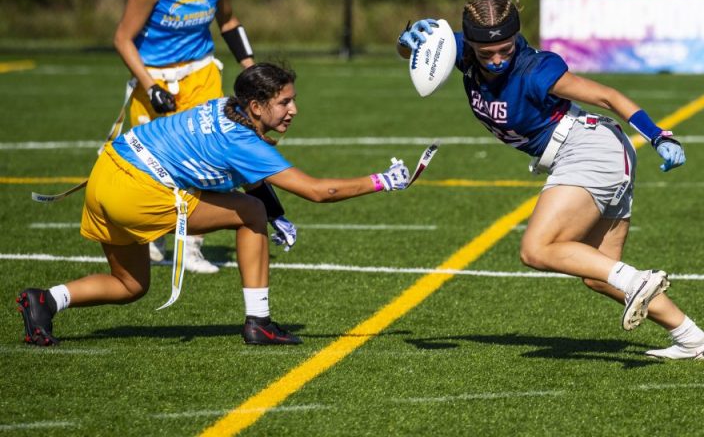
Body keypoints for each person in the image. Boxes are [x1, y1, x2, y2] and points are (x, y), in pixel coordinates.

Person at [397, 0, 704, 360]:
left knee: (536, 249)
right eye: (487, 54)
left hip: (590, 148)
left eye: (505, 49)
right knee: (599, 274)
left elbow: (607, 96)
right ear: (470, 44)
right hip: (598, 155)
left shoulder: (536, 69)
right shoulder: (462, 49)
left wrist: (659, 135)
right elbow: (422, 55)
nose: (498, 59)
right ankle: (694, 340)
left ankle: (639, 281)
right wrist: (408, 40)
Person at [16, 63, 413, 347]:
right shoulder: (245, 141)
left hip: (107, 172)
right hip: (139, 189)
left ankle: (46, 300)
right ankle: (259, 323)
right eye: (285, 102)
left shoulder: (226, 106)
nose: (294, 110)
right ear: (256, 107)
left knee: (131, 285)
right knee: (251, 214)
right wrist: (383, 180)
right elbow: (317, 191)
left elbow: (241, 174)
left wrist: (277, 214)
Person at [113, 0, 257, 273]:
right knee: (154, 165)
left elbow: (228, 22)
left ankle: (191, 246)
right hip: (155, 78)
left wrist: (250, 67)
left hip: (201, 75)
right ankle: (151, 237)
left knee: (209, 157)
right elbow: (123, 38)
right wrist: (150, 84)